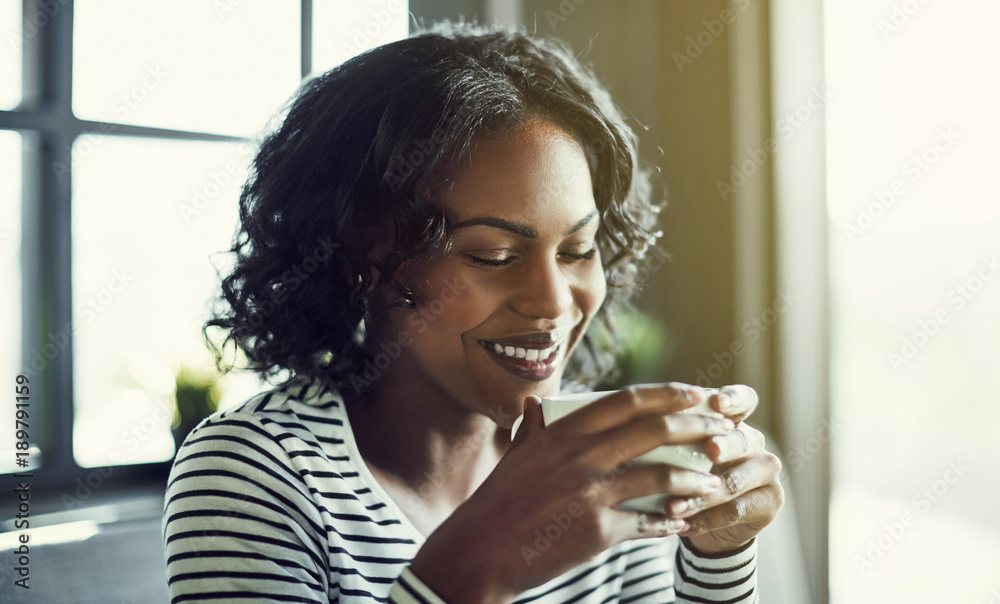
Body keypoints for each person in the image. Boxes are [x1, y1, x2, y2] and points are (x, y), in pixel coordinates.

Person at [163, 21, 783, 603]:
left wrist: (717, 556)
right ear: (363, 253)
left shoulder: (601, 459)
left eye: (577, 250)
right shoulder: (255, 472)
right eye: (493, 255)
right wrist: (479, 561)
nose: (554, 302)